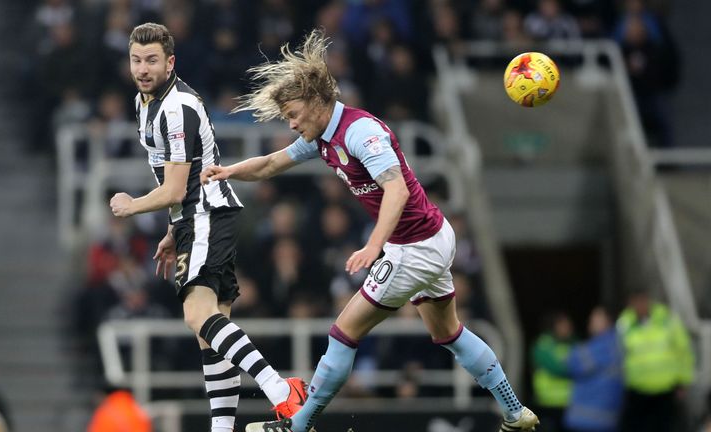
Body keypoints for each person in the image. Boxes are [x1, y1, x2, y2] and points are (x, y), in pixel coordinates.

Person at [200, 29, 539, 432]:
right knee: (448, 331)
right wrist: (229, 171)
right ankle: (516, 413)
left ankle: (297, 425)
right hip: (429, 236)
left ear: (316, 101)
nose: (290, 123)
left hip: (413, 246)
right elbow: (272, 164)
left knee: (343, 332)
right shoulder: (324, 137)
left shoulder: (361, 132)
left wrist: (372, 246)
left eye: (292, 113)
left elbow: (395, 190)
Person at [108, 23, 306, 432]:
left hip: (205, 212)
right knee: (212, 334)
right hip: (193, 217)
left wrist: (132, 206)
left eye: (152, 60)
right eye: (136, 60)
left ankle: (283, 392)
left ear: (170, 62)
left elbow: (176, 187)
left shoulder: (175, 107)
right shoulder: (144, 102)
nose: (143, 68)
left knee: (197, 317)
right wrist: (170, 229)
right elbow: (176, 180)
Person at [616, 290, 694, 432]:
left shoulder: (667, 319)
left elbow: (683, 351)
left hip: (664, 388)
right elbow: (617, 353)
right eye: (635, 303)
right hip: (637, 388)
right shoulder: (624, 323)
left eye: (642, 301)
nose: (639, 306)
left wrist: (684, 380)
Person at [563, 307, 623, 432]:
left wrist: (569, 340)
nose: (591, 320)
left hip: (591, 419)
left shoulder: (605, 346)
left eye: (596, 317)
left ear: (608, 321)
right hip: (602, 418)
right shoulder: (614, 343)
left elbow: (573, 362)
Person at [531, 312, 575, 432]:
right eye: (564, 325)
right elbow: (555, 368)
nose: (568, 328)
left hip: (569, 403)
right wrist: (576, 368)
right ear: (555, 326)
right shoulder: (544, 344)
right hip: (547, 403)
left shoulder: (573, 343)